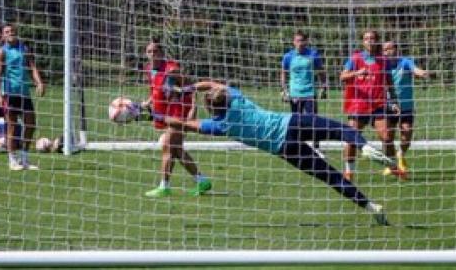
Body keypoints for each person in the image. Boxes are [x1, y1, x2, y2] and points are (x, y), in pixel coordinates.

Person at [147, 80, 391, 226]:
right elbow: (212, 84)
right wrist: (185, 89)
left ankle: (371, 207)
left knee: (330, 177)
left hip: (285, 148)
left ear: (211, 108)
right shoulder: (238, 99)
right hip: (292, 122)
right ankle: (365, 146)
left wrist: (152, 115)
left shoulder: (221, 125)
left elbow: (186, 124)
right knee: (340, 130)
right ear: (227, 97)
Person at [142, 38, 211, 197]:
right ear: (146, 54)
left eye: (156, 51)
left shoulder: (171, 69)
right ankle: (202, 181)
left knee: (167, 145)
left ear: (162, 53)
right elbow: (154, 91)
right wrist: (147, 103)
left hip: (179, 113)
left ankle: (164, 186)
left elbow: (190, 87)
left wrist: (193, 108)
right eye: (149, 51)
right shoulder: (148, 70)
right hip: (165, 114)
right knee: (177, 150)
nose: (153, 54)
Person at [340, 30, 405, 181]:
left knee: (387, 137)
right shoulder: (355, 59)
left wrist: (394, 102)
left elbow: (389, 83)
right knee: (351, 138)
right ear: (363, 42)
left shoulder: (383, 60)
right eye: (366, 38)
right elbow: (342, 76)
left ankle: (393, 167)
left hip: (378, 105)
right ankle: (349, 172)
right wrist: (356, 73)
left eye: (372, 38)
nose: (369, 41)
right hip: (358, 105)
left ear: (377, 41)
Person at [0, 24, 45, 171]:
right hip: (9, 93)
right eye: (7, 32)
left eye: (12, 31)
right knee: (12, 127)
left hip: (24, 92)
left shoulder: (24, 49)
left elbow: (32, 67)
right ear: (3, 36)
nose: (10, 33)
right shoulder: (2, 52)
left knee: (30, 124)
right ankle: (12, 161)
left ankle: (25, 159)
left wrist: (39, 82)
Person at [381, 40, 430, 175]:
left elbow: (415, 69)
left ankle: (401, 154)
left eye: (390, 49)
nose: (388, 52)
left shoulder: (405, 62)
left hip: (406, 106)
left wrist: (421, 73)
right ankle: (390, 164)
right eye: (385, 50)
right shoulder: (381, 66)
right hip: (388, 106)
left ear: (396, 50)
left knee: (406, 134)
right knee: (387, 137)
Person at [280, 31, 326, 155]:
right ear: (293, 42)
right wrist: (284, 90)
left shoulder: (313, 54)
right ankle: (298, 147)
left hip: (310, 92)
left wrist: (323, 86)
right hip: (294, 93)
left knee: (314, 120)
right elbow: (284, 72)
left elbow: (321, 71)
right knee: (296, 121)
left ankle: (317, 147)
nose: (300, 43)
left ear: (306, 41)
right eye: (297, 41)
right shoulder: (288, 56)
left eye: (302, 40)